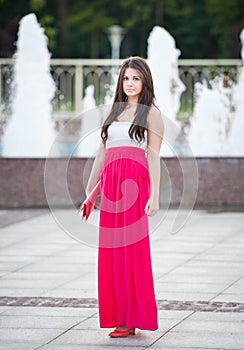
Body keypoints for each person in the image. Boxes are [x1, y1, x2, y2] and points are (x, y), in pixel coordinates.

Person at [85, 56, 164, 337]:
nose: (130, 84)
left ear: (145, 82)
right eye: (126, 78)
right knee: (111, 253)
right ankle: (118, 314)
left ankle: (130, 318)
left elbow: (153, 156)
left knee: (132, 252)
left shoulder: (151, 113)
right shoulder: (114, 111)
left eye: (136, 79)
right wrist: (90, 190)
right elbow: (102, 152)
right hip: (110, 186)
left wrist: (154, 195)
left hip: (134, 185)